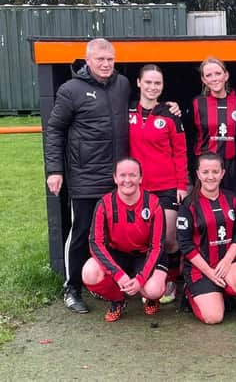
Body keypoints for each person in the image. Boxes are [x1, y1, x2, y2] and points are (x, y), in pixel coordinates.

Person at [45, 38, 131, 313]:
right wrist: (55, 170)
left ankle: (103, 286)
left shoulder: (123, 85)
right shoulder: (71, 90)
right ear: (88, 60)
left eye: (110, 59)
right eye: (100, 60)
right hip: (85, 177)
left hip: (117, 179)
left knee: (112, 236)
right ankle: (72, 289)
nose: (106, 64)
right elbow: (55, 129)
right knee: (82, 233)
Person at [128, 64, 188, 304]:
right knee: (144, 238)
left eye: (157, 83)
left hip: (167, 186)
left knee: (169, 238)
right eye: (149, 82)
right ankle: (145, 278)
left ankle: (170, 279)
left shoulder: (170, 114)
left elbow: (181, 152)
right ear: (139, 83)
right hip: (137, 188)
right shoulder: (127, 110)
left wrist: (182, 185)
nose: (153, 87)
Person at [81, 158, 167, 322]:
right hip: (117, 253)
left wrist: (141, 278)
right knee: (89, 272)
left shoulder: (154, 203)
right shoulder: (104, 204)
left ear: (141, 178)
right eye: (122, 175)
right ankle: (118, 299)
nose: (127, 180)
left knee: (154, 289)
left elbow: (157, 246)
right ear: (115, 178)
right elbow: (95, 243)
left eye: (133, 175)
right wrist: (118, 274)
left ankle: (150, 298)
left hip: (145, 254)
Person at [176, 153, 236, 324]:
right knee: (214, 318)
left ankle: (221, 292)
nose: (210, 176)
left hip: (227, 262)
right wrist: (209, 272)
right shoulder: (189, 205)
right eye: (205, 172)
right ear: (198, 173)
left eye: (215, 172)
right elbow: (185, 244)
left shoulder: (232, 198)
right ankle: (191, 292)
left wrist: (227, 260)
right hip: (201, 268)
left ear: (222, 173)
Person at [190, 57, 236, 198]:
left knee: (234, 209)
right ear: (203, 79)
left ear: (226, 75)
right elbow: (190, 137)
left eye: (218, 73)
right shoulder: (197, 103)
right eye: (208, 75)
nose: (214, 78)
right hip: (207, 168)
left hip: (234, 167)